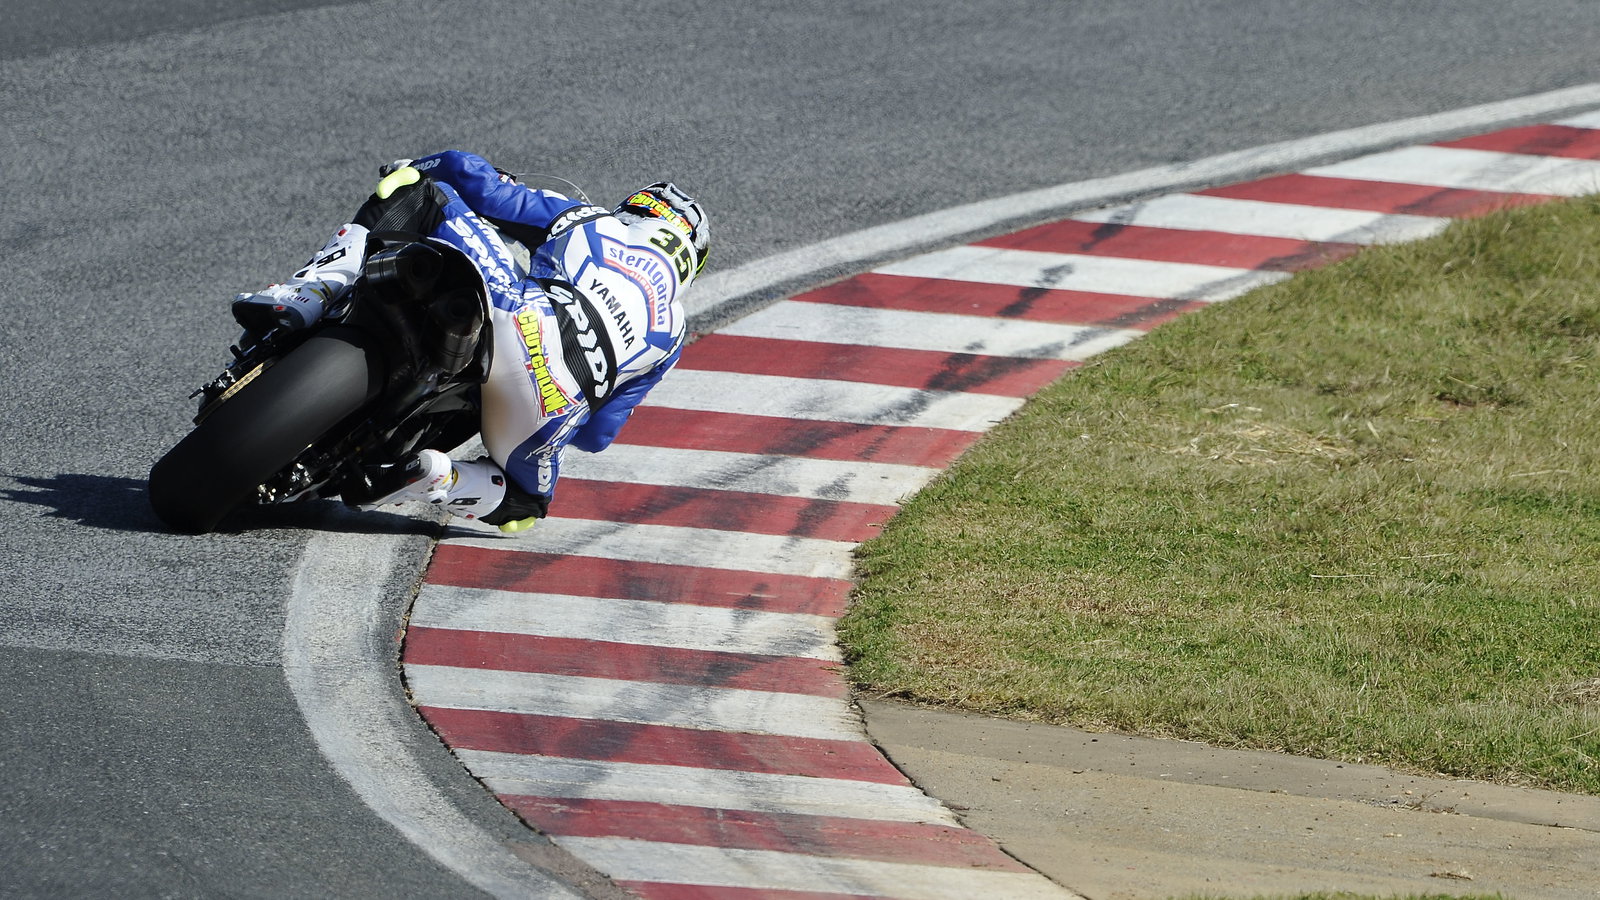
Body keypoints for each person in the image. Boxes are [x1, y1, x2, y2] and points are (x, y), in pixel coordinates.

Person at [231, 150, 709, 532]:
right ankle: (441, 478)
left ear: (637, 211)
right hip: (548, 408)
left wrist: (419, 166)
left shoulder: (590, 221)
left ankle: (313, 291)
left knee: (423, 194)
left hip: (518, 314)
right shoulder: (672, 335)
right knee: (527, 506)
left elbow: (471, 177)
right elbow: (597, 437)